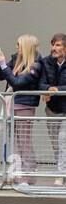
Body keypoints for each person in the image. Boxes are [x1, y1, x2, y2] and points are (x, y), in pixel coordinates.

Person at [0, 35, 43, 183]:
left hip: (25, 105)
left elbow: (17, 82)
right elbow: (1, 76)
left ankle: (29, 175)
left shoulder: (36, 65)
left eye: (19, 45)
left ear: (26, 47)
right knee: (15, 141)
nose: (16, 47)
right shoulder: (16, 59)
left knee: (24, 141)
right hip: (12, 104)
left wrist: (3, 65)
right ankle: (17, 172)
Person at [42, 33, 66, 184]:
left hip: (65, 110)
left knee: (63, 141)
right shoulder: (46, 62)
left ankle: (61, 174)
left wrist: (57, 89)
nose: (54, 48)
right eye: (53, 45)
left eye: (57, 45)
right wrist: (46, 88)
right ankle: (61, 170)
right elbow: (40, 82)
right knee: (55, 143)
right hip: (51, 109)